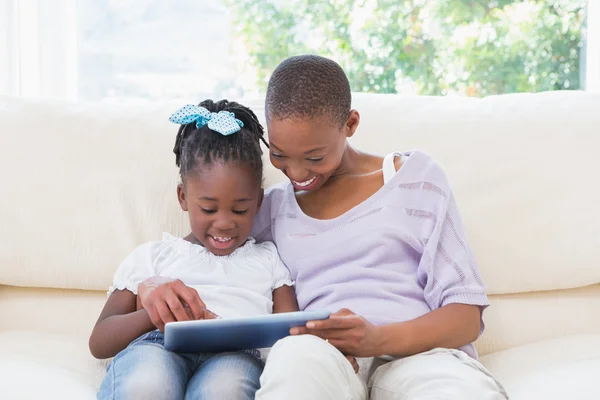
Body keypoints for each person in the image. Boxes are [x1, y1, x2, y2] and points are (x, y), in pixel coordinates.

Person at [137, 56, 508, 399]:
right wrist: (151, 282)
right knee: (294, 361)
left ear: (350, 124)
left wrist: (377, 339)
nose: (296, 174)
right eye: (280, 155)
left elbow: (465, 317)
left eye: (315, 157)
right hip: (321, 357)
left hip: (420, 355)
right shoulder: (273, 208)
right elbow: (208, 242)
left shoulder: (415, 179)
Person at [89, 99, 298, 400]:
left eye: (240, 210)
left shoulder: (268, 259)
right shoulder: (153, 257)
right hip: (157, 345)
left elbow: (290, 333)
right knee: (147, 383)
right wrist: (157, 314)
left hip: (235, 356)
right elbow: (100, 342)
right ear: (183, 197)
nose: (224, 223)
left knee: (225, 390)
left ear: (259, 202)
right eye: (209, 209)